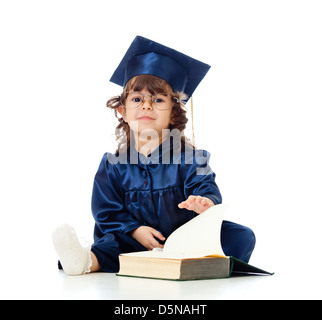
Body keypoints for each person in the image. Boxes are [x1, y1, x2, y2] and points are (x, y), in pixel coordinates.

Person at [52, 36, 256, 275]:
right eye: (137, 99)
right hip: (134, 240)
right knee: (111, 245)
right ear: (123, 111)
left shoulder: (192, 158)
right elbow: (106, 211)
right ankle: (83, 262)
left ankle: (190, 264)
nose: (147, 106)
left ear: (173, 113)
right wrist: (135, 230)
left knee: (241, 236)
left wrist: (204, 202)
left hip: (184, 239)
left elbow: (205, 186)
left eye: (158, 99)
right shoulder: (112, 164)